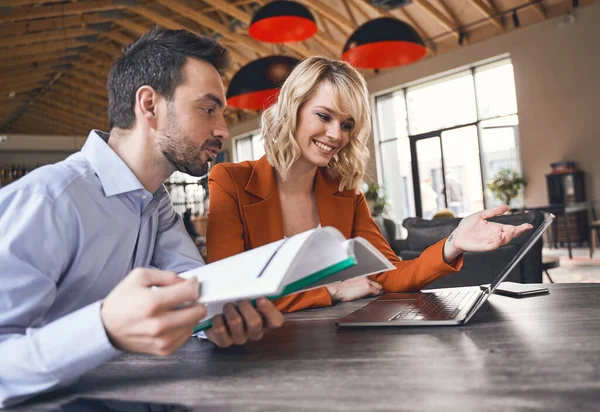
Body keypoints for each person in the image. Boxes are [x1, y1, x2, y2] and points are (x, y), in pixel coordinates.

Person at [0, 28, 283, 409]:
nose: (223, 130)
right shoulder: (47, 201)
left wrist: (220, 321)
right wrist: (103, 328)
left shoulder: (156, 203)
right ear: (149, 105)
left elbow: (193, 290)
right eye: (208, 108)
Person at [206, 56, 532, 313]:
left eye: (347, 124)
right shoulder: (231, 181)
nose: (337, 134)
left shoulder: (345, 193)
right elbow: (228, 296)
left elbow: (390, 275)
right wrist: (330, 292)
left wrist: (454, 242)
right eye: (324, 116)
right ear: (293, 109)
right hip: (259, 355)